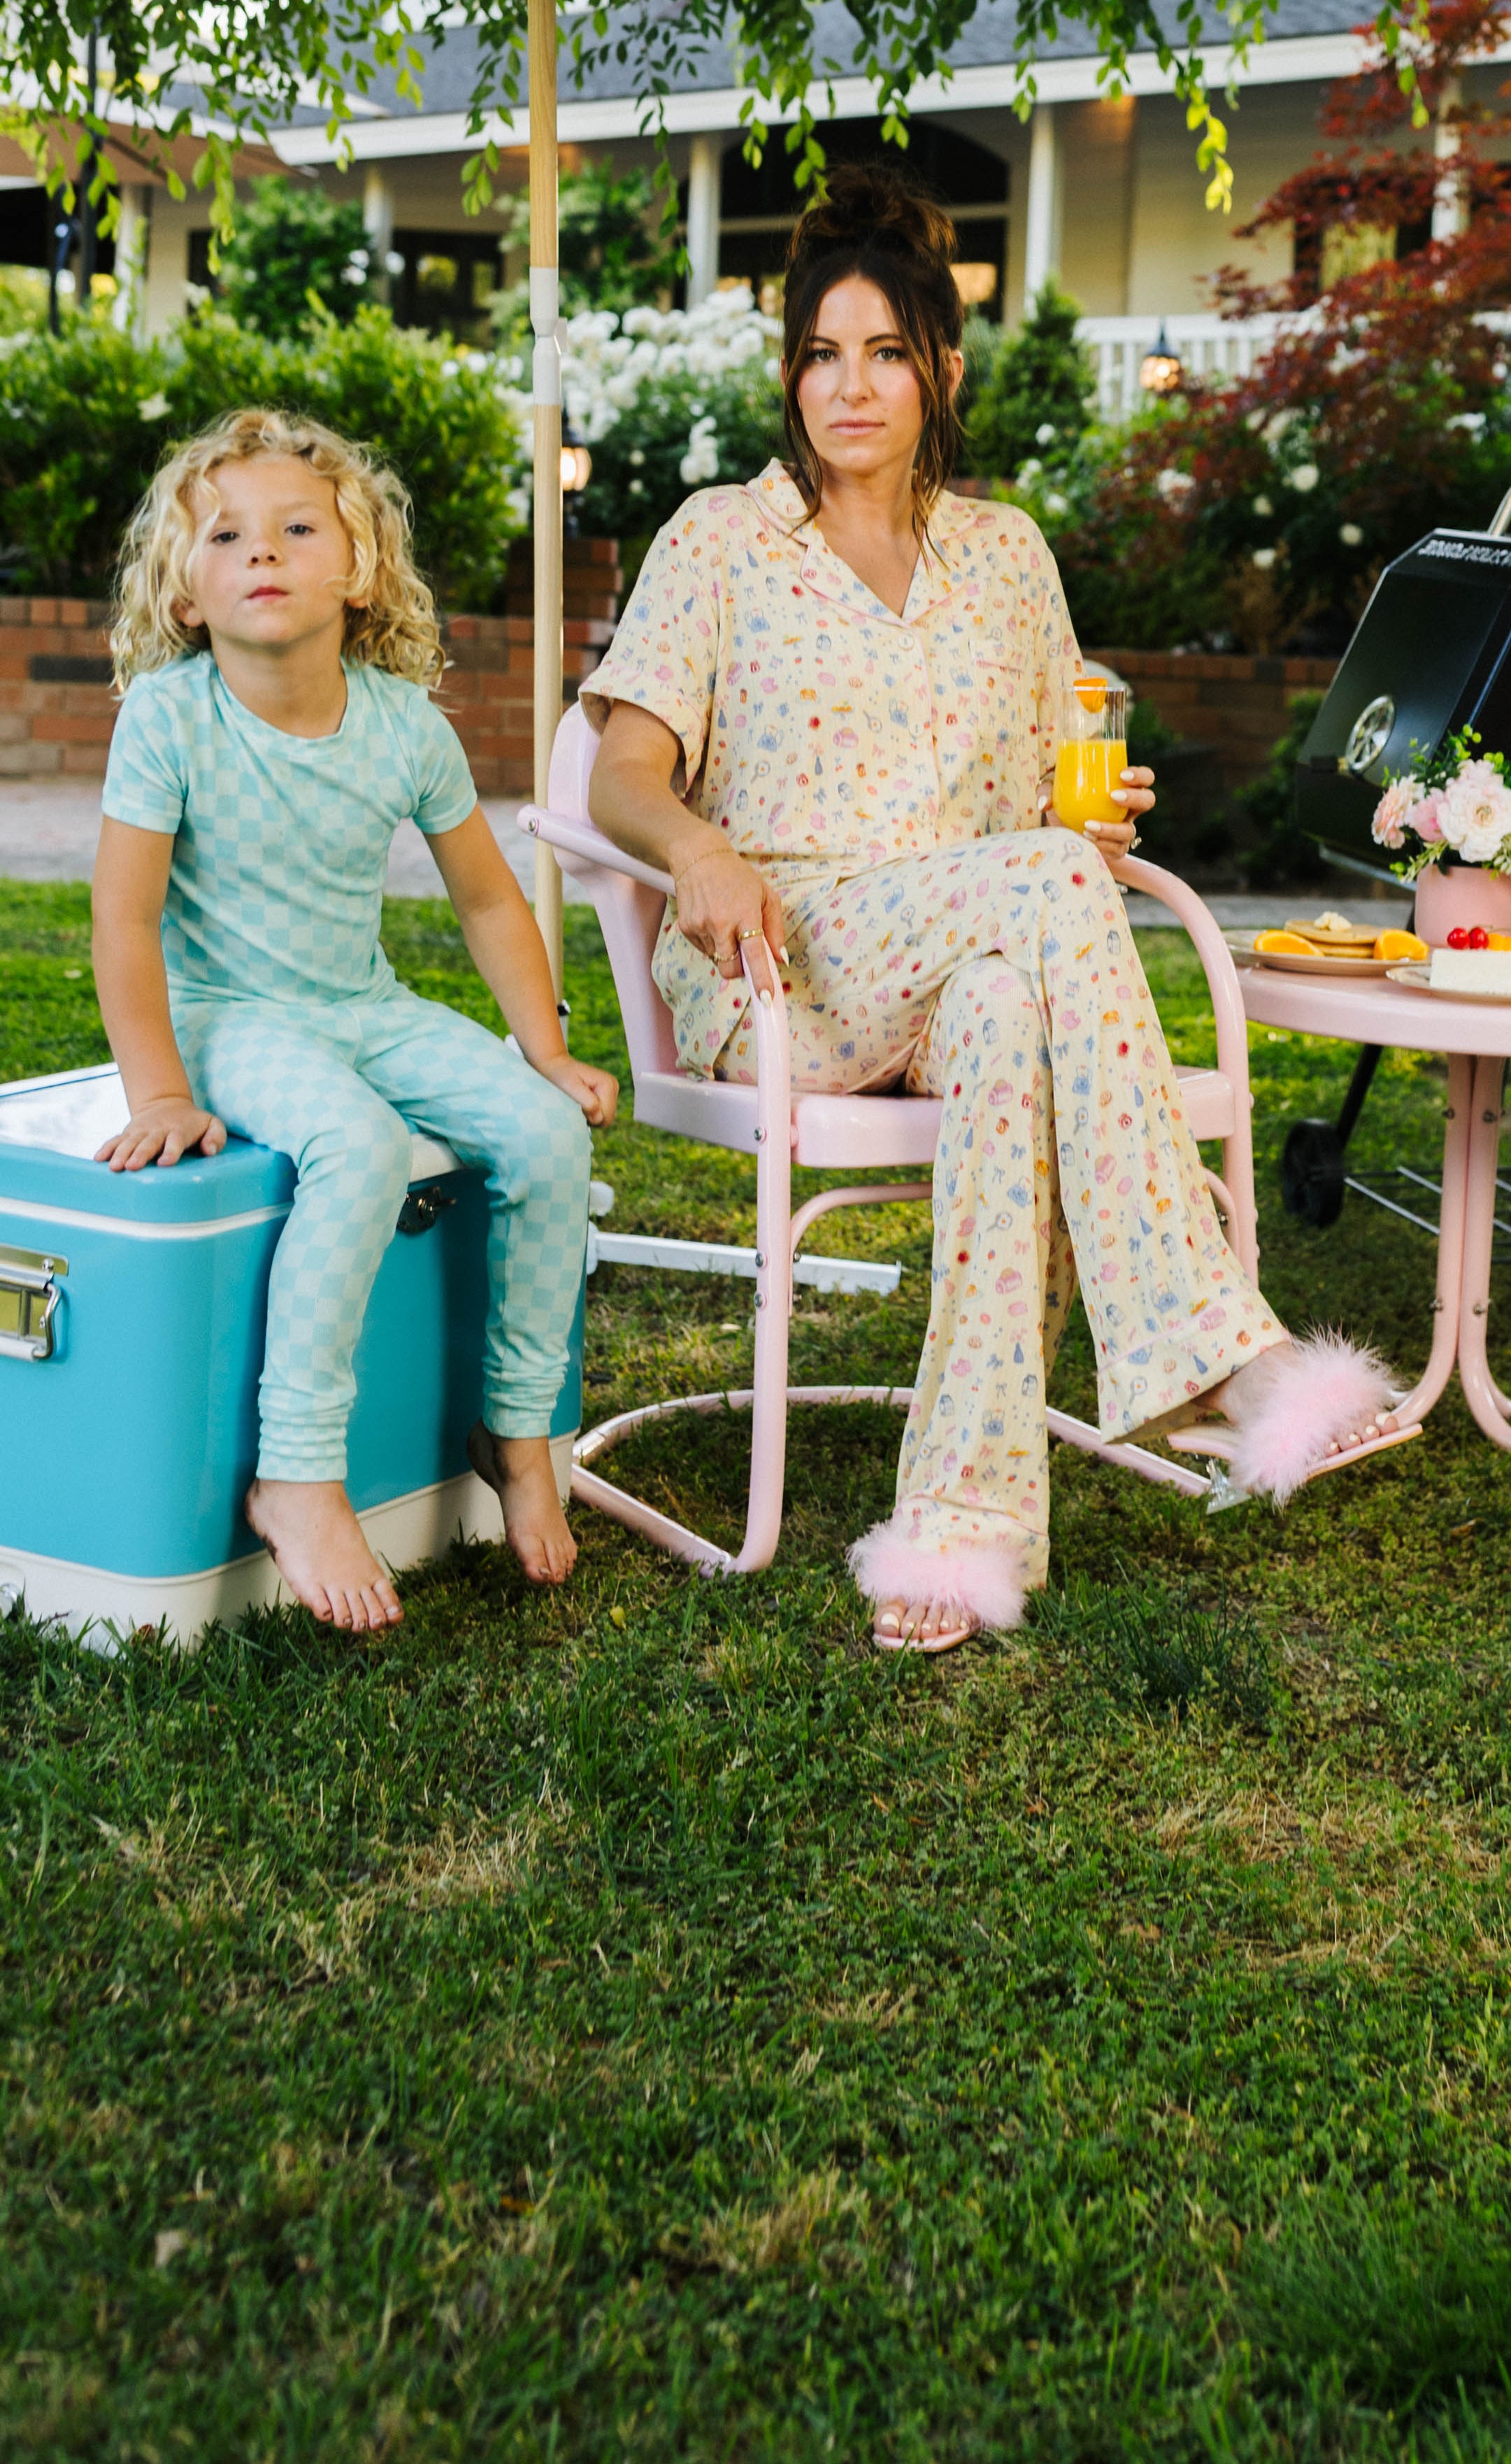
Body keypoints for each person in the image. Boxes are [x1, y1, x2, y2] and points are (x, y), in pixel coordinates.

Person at [582, 167, 1412, 1658]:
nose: (851, 385)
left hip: (977, 949)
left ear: (940, 373)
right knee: (1039, 894)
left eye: (886, 352)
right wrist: (696, 846)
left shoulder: (1010, 554)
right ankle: (1216, 1350)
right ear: (789, 373)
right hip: (780, 960)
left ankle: (961, 1526)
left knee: (1008, 988)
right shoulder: (719, 538)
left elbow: (1053, 811)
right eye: (821, 353)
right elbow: (624, 774)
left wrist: (1091, 818)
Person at [92, 410, 617, 1637]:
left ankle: (518, 1426)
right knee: (363, 1151)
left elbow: (488, 898)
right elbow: (123, 929)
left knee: (547, 1136)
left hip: (360, 1007)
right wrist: (162, 1092)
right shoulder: (169, 720)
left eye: (292, 528)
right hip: (228, 1014)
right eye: (224, 535)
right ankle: (298, 1471)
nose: (259, 552)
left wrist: (540, 1048)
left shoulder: (401, 723)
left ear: (359, 566)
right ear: (185, 591)